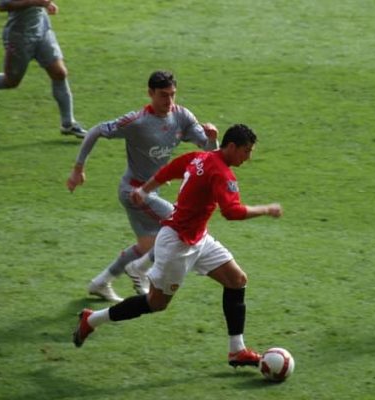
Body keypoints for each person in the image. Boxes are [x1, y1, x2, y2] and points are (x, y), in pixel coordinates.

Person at [72, 124, 283, 368]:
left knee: (237, 280)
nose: (249, 157)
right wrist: (267, 209)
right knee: (156, 303)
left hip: (198, 239)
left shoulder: (200, 157)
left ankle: (237, 351)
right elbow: (231, 212)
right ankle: (92, 320)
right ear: (232, 147)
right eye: (246, 151)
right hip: (177, 245)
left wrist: (144, 189)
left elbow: (169, 170)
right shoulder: (222, 174)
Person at [66, 70, 218, 303]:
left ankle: (101, 282)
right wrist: (78, 168)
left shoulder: (182, 117)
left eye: (172, 95)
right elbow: (97, 130)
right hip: (133, 191)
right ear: (150, 94)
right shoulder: (137, 122)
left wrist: (212, 138)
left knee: (147, 245)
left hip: (150, 191)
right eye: (163, 95)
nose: (169, 101)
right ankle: (139, 271)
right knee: (181, 222)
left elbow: (210, 155)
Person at [0, 0, 86, 138]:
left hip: (42, 30)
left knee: (59, 73)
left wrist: (46, 5)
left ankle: (68, 123)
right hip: (19, 37)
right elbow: (3, 5)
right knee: (11, 81)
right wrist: (35, 2)